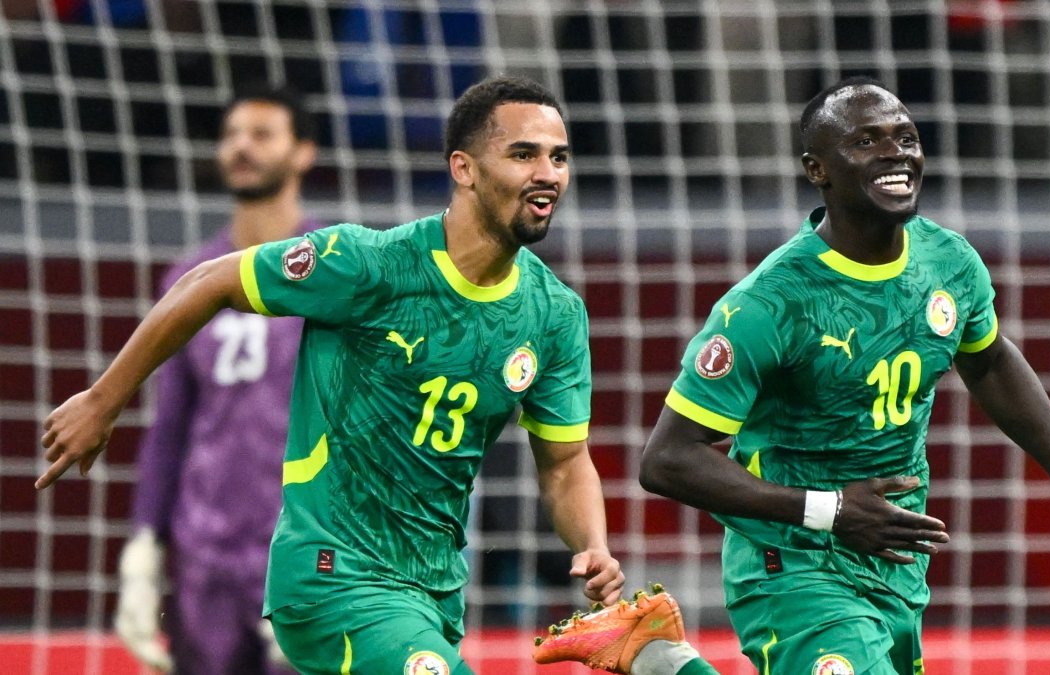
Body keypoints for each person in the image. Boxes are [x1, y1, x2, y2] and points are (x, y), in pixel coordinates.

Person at [36, 76, 627, 674]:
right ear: (464, 169)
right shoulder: (366, 264)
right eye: (523, 154)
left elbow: (565, 462)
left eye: (559, 157)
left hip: (431, 592)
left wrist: (592, 546)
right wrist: (102, 401)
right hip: (330, 573)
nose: (548, 173)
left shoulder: (554, 315)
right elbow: (205, 282)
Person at [634, 77, 1050, 674]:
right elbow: (666, 460)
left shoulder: (949, 262)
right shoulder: (768, 305)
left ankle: (658, 660)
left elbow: (990, 361)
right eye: (866, 142)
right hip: (793, 560)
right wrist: (828, 510)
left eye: (906, 137)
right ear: (817, 169)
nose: (896, 153)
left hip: (893, 557)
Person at [113, 85, 318, 674]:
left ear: (303, 152)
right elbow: (170, 424)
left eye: (261, 135)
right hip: (205, 557)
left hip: (302, 551)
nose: (240, 148)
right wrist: (143, 550)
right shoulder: (188, 279)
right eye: (231, 136)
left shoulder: (332, 268)